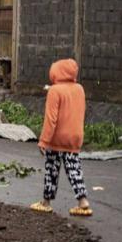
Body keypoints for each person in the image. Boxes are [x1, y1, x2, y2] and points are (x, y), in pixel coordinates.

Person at [30, 59, 92, 216]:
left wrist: (44, 140)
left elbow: (51, 119)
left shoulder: (54, 91)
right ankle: (83, 201)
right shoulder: (80, 89)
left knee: (52, 169)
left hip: (57, 138)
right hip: (75, 136)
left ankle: (46, 202)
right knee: (74, 169)